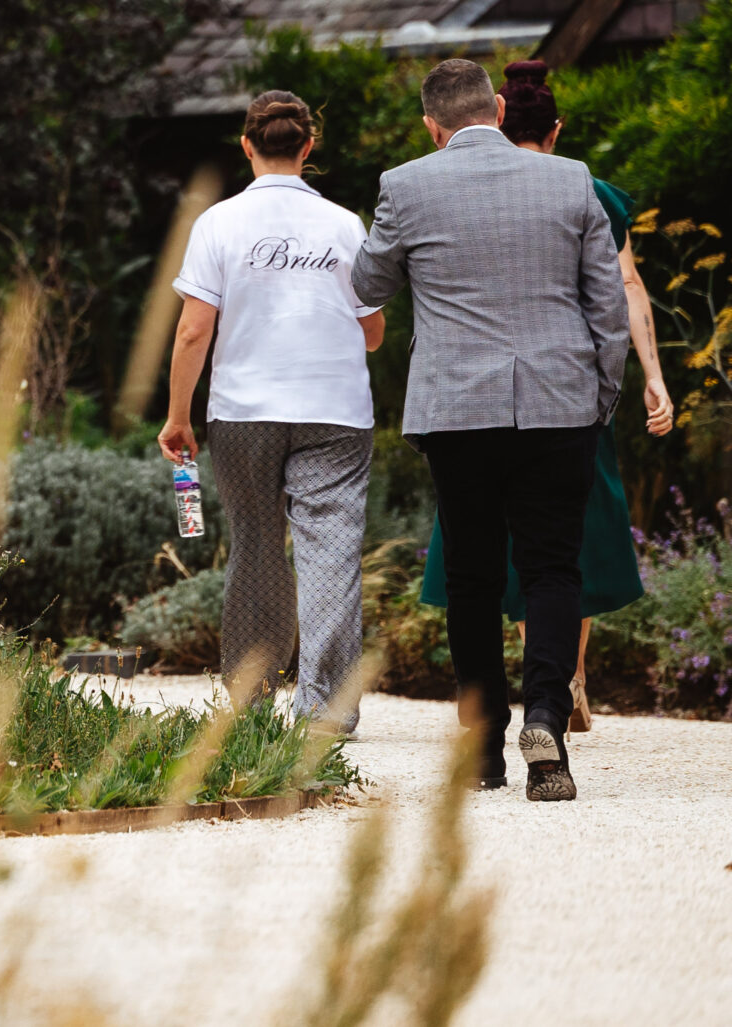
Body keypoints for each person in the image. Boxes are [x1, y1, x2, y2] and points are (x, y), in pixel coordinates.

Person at [352, 58, 628, 801]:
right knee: (551, 566)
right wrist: (601, 394)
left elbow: (366, 285)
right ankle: (547, 720)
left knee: (473, 576)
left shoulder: (405, 185)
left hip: (457, 409)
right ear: (499, 108)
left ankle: (482, 747)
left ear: (431, 127)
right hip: (558, 401)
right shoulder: (570, 179)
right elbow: (608, 306)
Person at [416, 58, 673, 732]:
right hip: (568, 393)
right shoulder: (584, 188)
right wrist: (644, 377)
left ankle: (493, 708)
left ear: (499, 113)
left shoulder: (442, 187)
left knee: (481, 547)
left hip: (470, 399)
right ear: (555, 127)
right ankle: (561, 682)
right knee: (566, 543)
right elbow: (624, 291)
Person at [159, 90, 385, 731]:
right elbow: (373, 333)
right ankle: (324, 713)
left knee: (257, 546)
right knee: (331, 554)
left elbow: (192, 332)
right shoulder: (345, 225)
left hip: (244, 413)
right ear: (308, 147)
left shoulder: (219, 224)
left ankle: (250, 706)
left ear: (247, 146)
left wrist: (179, 417)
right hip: (336, 412)